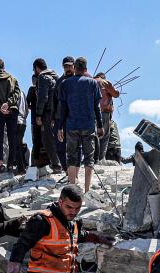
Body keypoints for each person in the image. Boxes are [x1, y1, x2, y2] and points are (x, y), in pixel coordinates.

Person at [57, 56, 103, 192]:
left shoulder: (65, 84)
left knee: (71, 156)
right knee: (89, 158)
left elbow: (63, 108)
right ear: (86, 69)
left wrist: (60, 127)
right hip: (88, 125)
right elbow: (97, 107)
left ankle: (72, 189)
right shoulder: (93, 83)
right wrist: (100, 125)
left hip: (71, 126)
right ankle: (87, 190)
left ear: (75, 68)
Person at [54, 57, 75, 171]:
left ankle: (74, 169)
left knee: (75, 146)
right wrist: (53, 117)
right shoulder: (59, 81)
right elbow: (54, 100)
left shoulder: (79, 80)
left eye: (70, 66)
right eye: (65, 66)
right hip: (60, 117)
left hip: (74, 117)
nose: (68, 68)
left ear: (74, 66)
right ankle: (66, 169)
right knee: (60, 146)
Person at [94, 72, 119, 161]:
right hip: (103, 113)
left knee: (93, 136)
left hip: (91, 113)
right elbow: (116, 94)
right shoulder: (104, 82)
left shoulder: (90, 81)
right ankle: (100, 159)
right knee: (104, 137)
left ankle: (92, 158)